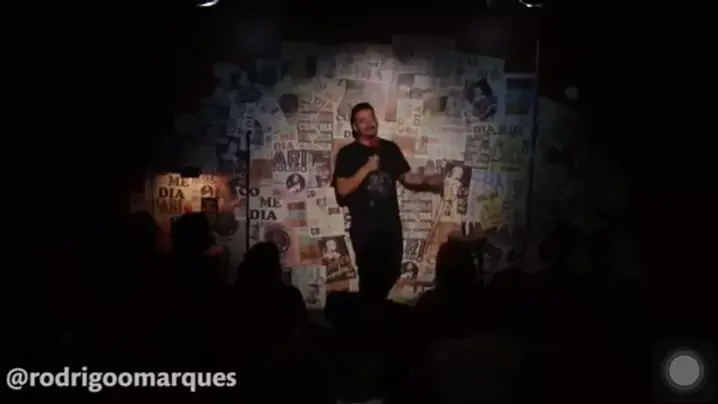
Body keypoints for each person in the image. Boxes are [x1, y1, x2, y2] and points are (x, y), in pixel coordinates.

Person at [332, 102, 443, 305]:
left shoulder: (390, 149)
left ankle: (375, 313)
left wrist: (429, 182)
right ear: (355, 127)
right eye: (362, 121)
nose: (369, 123)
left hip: (391, 228)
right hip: (365, 230)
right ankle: (370, 318)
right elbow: (342, 189)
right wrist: (367, 169)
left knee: (391, 274)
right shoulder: (348, 154)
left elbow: (407, 178)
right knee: (370, 281)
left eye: (371, 118)